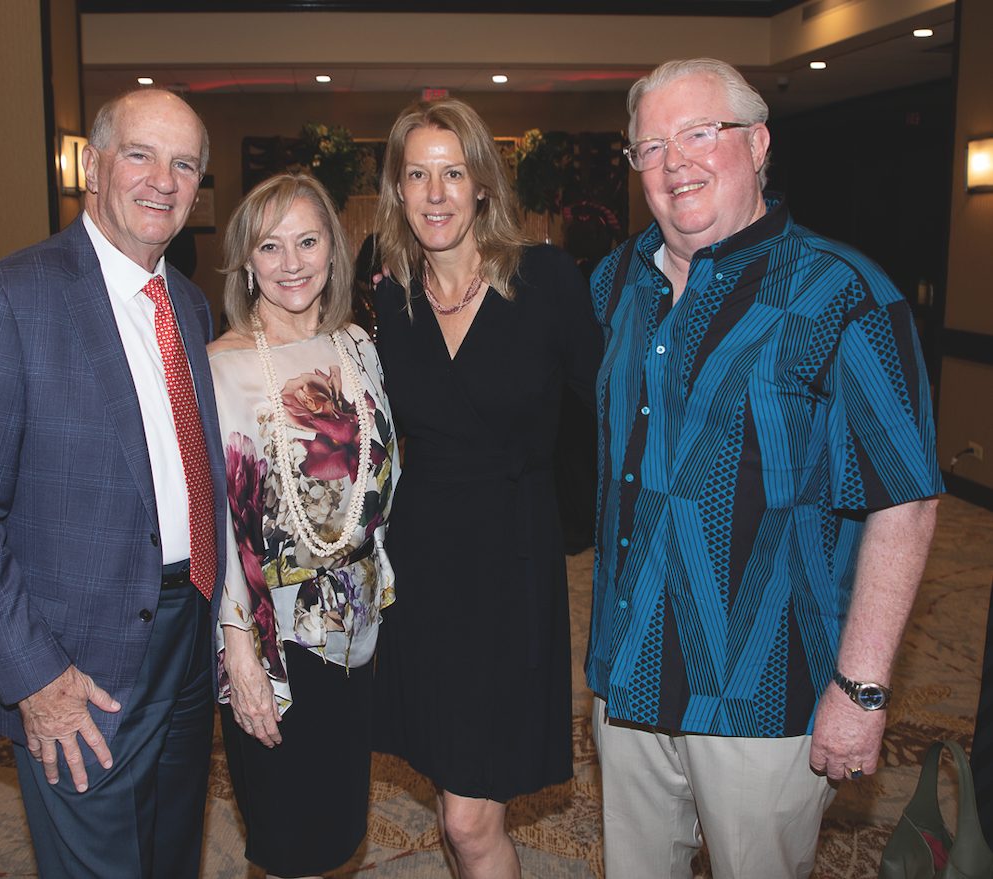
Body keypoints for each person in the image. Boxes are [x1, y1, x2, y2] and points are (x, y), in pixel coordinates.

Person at [587, 58, 943, 879]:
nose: (675, 162)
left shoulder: (845, 293)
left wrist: (859, 692)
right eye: (650, 146)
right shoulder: (614, 284)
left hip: (765, 692)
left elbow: (906, 503)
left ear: (757, 142)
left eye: (698, 134)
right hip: (625, 677)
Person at [0, 89, 226, 879]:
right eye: (140, 154)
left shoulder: (189, 306)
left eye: (184, 163)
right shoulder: (7, 298)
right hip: (78, 666)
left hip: (186, 641)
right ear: (91, 166)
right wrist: (35, 678)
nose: (162, 179)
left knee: (171, 859)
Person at [370, 97, 603, 879]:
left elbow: (607, 408)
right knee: (450, 797)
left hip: (509, 564)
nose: (435, 194)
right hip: (423, 572)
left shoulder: (544, 278)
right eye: (417, 175)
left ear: (481, 187)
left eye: (452, 173)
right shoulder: (389, 300)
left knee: (471, 817)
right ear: (397, 192)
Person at [209, 172, 400, 879]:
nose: (291, 263)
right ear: (246, 260)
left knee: (337, 832)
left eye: (307, 240)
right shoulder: (220, 368)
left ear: (333, 250)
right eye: (270, 245)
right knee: (287, 841)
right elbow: (218, 524)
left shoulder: (357, 347)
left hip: (355, 631)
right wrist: (239, 655)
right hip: (275, 638)